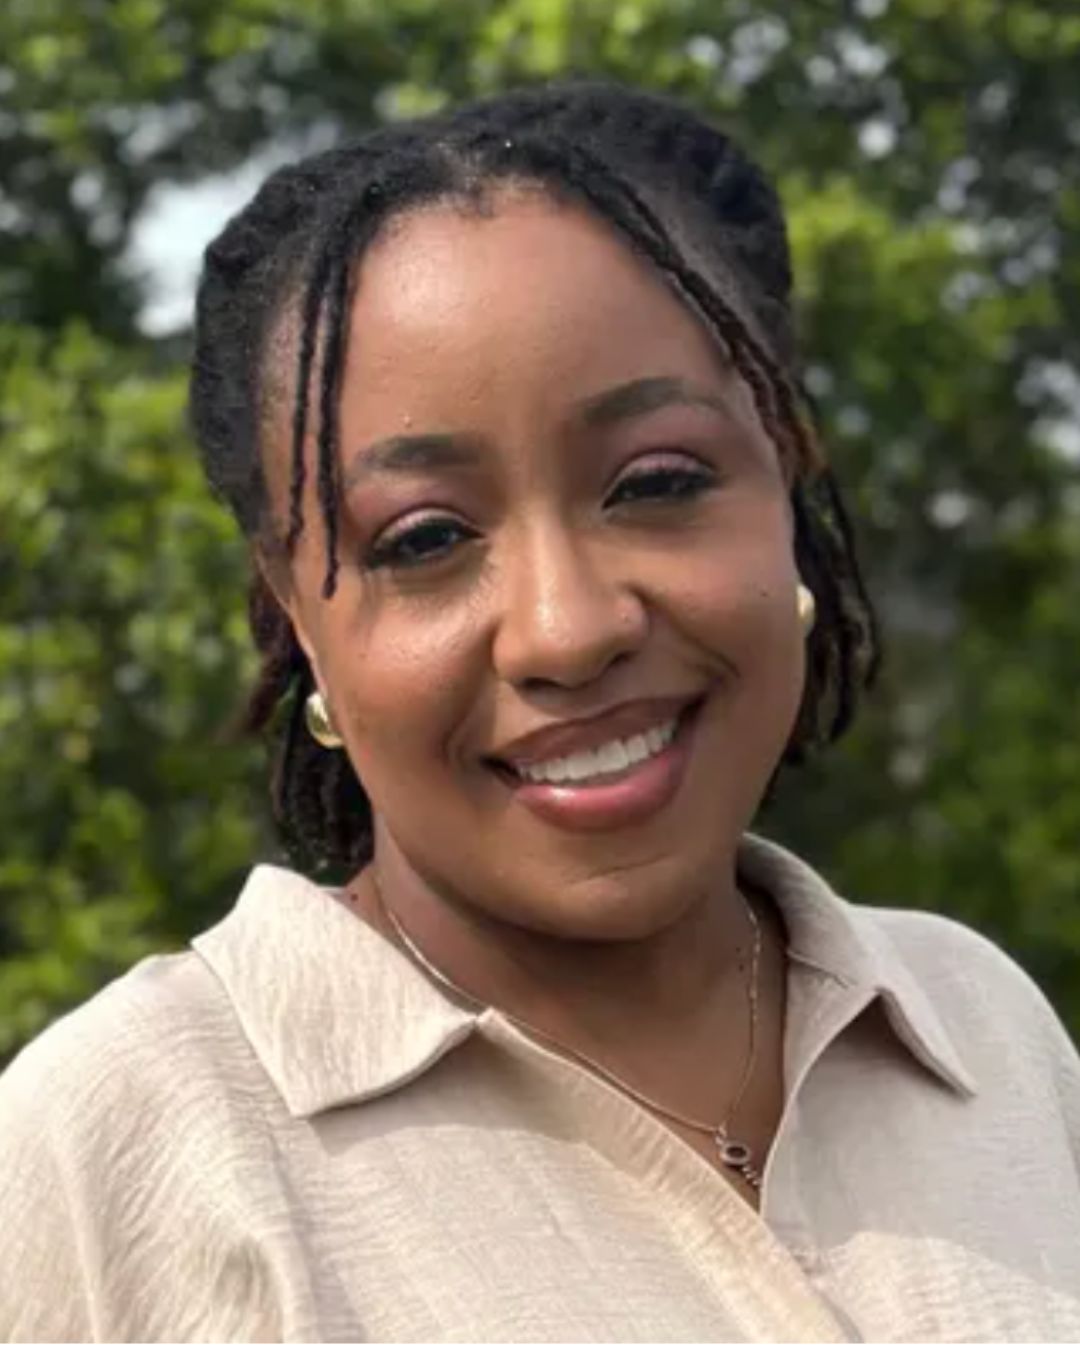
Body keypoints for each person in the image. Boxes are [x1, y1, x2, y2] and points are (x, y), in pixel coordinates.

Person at [1, 80, 1078, 1344]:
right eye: (427, 539)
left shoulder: (980, 1027)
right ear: (298, 620)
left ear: (785, 479)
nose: (567, 627)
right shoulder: (117, 1144)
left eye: (656, 481)